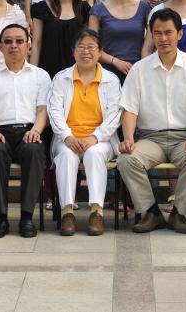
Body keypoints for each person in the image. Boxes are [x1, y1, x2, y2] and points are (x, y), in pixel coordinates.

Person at [118, 8, 186, 234]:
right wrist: (129, 138)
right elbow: (130, 110)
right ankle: (150, 212)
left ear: (179, 34)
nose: (163, 38)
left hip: (185, 136)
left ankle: (178, 213)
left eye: (168, 32)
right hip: (150, 138)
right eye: (158, 33)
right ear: (151, 35)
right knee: (126, 159)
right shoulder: (139, 69)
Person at [48, 28, 122, 236]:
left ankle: (97, 212)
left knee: (94, 153)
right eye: (80, 47)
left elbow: (115, 115)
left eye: (91, 47)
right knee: (66, 155)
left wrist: (94, 137)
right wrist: (67, 136)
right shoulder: (61, 78)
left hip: (100, 139)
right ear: (73, 51)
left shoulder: (111, 80)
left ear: (100, 52)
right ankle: (67, 212)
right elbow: (54, 111)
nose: (85, 51)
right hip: (67, 138)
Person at [0, 23, 50, 239]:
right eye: (8, 41)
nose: (14, 45)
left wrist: (36, 130)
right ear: (0, 47)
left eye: (19, 41)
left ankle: (26, 217)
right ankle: (1, 218)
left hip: (30, 130)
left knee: (34, 150)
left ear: (28, 45)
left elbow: (43, 110)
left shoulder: (40, 76)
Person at [88, 0, 150, 83]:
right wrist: (115, 61)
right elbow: (91, 47)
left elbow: (149, 47)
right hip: (107, 74)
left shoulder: (145, 8)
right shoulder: (98, 9)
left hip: (138, 72)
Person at [30, 0, 91, 78]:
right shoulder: (41, 8)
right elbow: (36, 44)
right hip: (47, 73)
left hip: (77, 75)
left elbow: (89, 44)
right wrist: (33, 75)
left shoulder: (85, 10)